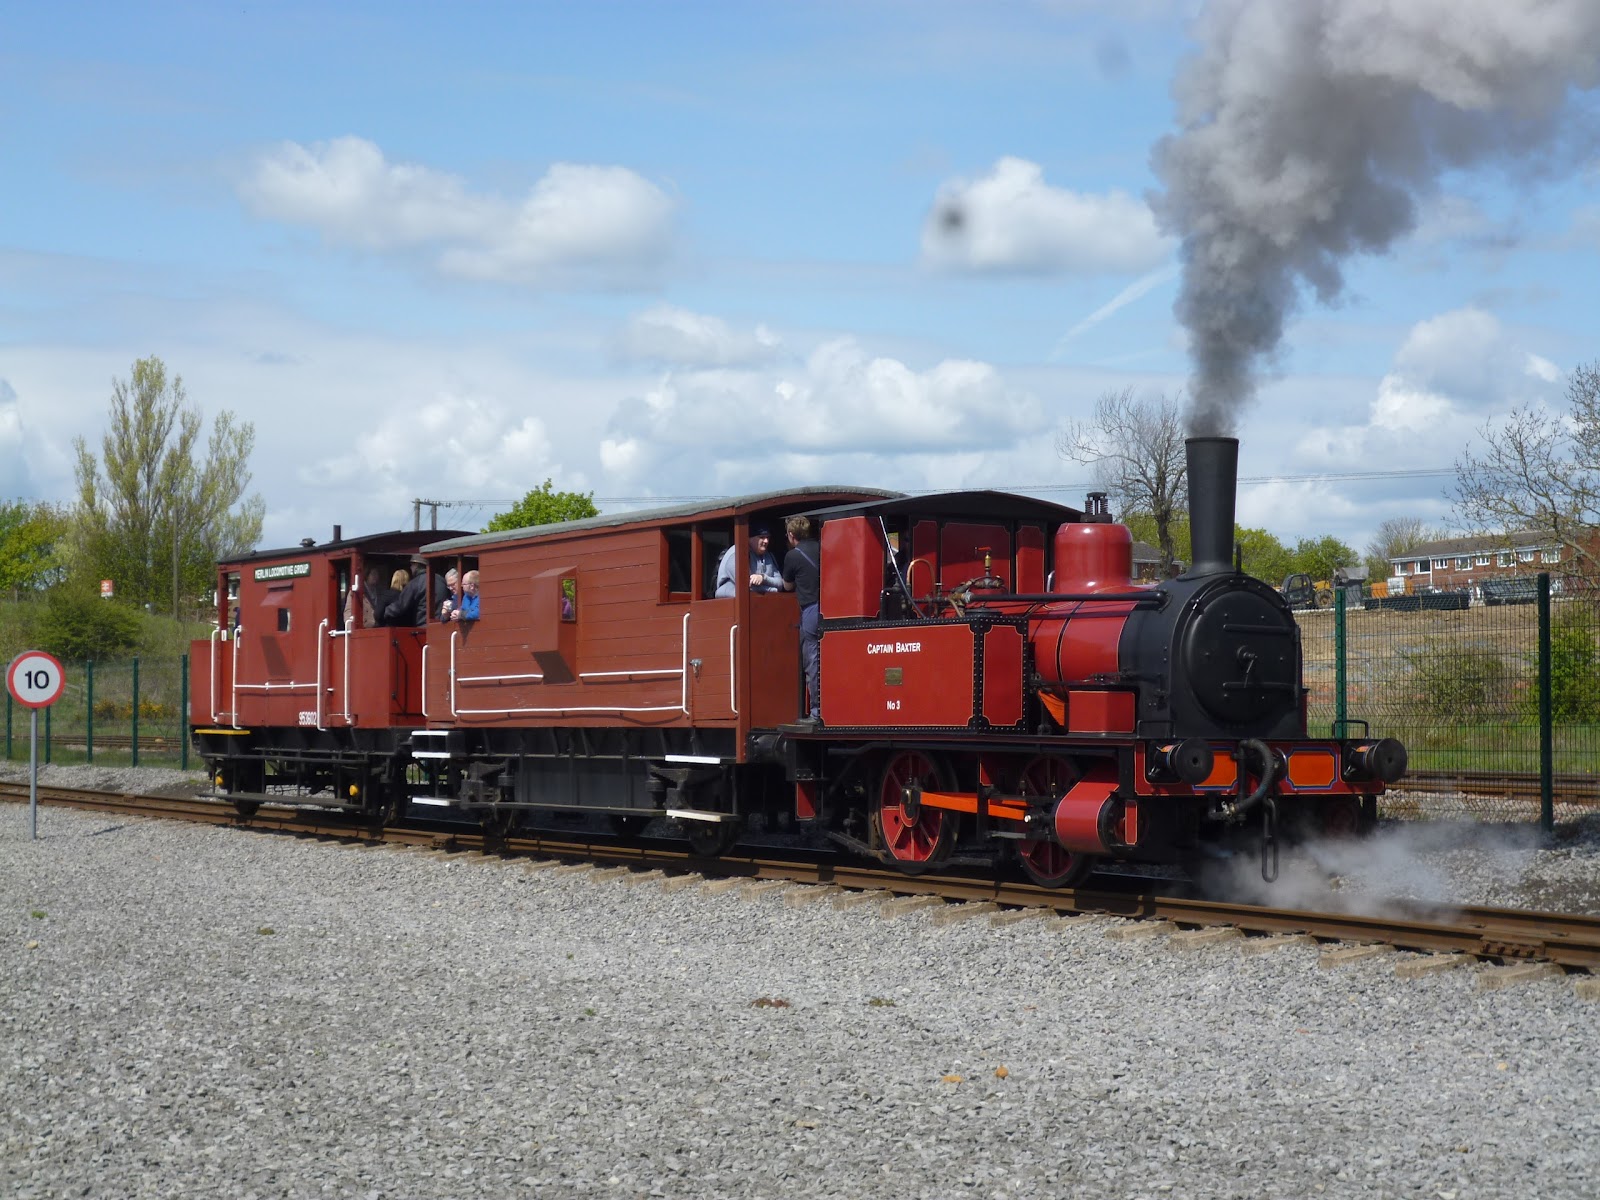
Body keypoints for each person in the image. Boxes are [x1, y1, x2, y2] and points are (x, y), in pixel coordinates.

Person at [781, 515, 822, 723]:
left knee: (812, 661)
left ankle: (816, 711)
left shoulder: (792, 556)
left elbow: (787, 586)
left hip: (810, 611)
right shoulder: (822, 548)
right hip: (830, 608)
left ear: (791, 535)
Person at [715, 524, 783, 598]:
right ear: (749, 539)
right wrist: (772, 590)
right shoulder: (736, 553)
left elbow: (780, 583)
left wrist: (763, 578)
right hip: (729, 604)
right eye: (761, 537)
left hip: (760, 603)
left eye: (768, 537)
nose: (766, 541)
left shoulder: (768, 556)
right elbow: (744, 586)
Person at [383, 556, 443, 627]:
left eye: (411, 565)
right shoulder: (441, 580)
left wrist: (385, 612)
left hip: (423, 628)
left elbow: (401, 605)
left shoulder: (416, 583)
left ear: (416, 565)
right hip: (440, 626)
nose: (411, 568)